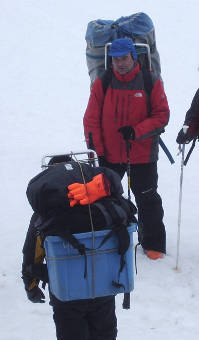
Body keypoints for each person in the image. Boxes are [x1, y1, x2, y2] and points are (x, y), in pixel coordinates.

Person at [22, 155, 136, 340]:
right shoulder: (103, 201)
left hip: (66, 293)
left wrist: (31, 284)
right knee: (105, 333)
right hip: (104, 287)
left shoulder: (47, 212)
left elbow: (32, 250)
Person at [83, 38, 170, 260]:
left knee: (147, 197)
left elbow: (162, 115)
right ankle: (108, 241)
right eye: (115, 59)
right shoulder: (103, 82)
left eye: (124, 58)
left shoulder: (150, 80)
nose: (120, 63)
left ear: (133, 57)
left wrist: (137, 131)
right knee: (104, 199)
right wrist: (97, 151)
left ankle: (153, 245)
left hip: (142, 153)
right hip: (109, 155)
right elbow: (91, 119)